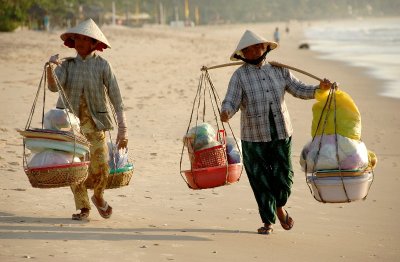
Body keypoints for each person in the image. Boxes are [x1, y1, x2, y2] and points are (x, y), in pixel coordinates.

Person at [220, 30, 332, 235]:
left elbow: (299, 89)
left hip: (281, 132)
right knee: (260, 178)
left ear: (265, 48)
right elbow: (231, 100)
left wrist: (320, 88)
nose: (254, 51)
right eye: (248, 49)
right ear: (242, 54)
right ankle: (268, 220)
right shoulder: (239, 76)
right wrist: (226, 111)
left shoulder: (280, 71)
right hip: (253, 136)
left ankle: (279, 206)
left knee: (283, 176)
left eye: (258, 47)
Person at [46, 18, 129, 220]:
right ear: (73, 42)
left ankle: (98, 196)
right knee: (76, 168)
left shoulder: (103, 66)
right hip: (70, 126)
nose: (81, 43)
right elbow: (53, 87)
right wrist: (50, 67)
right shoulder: (66, 65)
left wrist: (123, 129)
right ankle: (83, 208)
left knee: (102, 166)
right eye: (78, 39)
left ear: (94, 43)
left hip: (96, 125)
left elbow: (116, 99)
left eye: (85, 39)